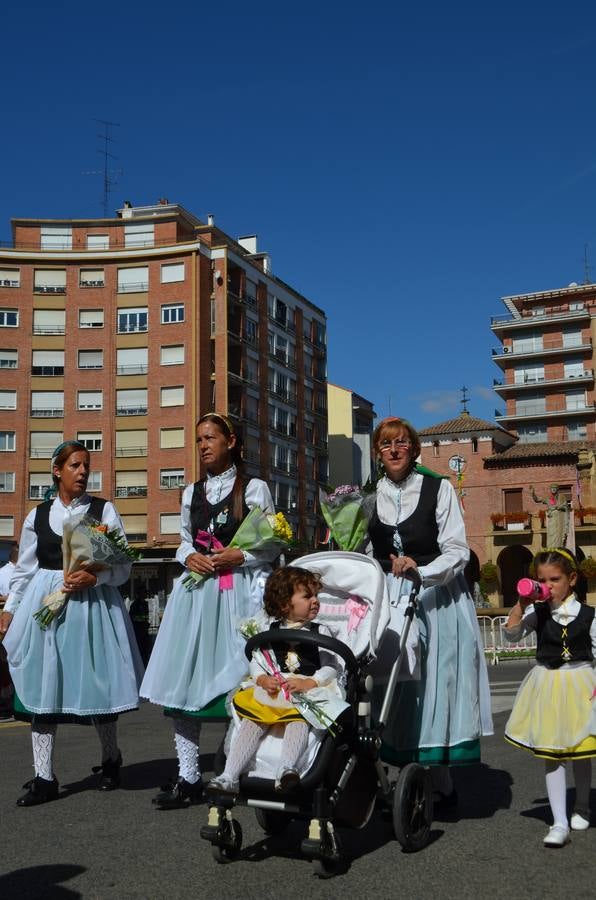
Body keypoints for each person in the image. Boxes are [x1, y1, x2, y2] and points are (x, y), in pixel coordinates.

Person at [141, 413, 277, 809]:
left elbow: (270, 545)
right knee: (186, 682)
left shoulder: (254, 489)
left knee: (239, 680)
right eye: (198, 439)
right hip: (197, 597)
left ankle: (231, 769)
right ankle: (187, 776)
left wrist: (242, 553)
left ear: (231, 441)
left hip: (239, 595)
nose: (203, 445)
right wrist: (189, 559)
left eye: (210, 438)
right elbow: (183, 542)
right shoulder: (190, 493)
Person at [0, 441, 144, 806]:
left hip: (91, 608)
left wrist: (95, 578)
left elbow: (123, 565)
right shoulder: (37, 515)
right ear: (57, 470)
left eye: (86, 466)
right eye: (76, 465)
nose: (83, 472)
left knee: (97, 685)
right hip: (47, 604)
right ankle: (43, 776)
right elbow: (23, 571)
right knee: (40, 691)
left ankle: (111, 759)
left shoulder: (103, 510)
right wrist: (10, 609)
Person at [365, 416, 493, 805]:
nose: (395, 450)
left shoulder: (438, 490)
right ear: (378, 454)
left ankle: (440, 779)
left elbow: (457, 550)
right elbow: (368, 554)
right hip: (391, 596)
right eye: (387, 445)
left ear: (415, 449)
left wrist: (422, 569)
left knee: (435, 683)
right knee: (395, 685)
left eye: (402, 442)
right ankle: (400, 773)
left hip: (436, 597)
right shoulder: (368, 500)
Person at [209, 566, 346, 793]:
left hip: (304, 690)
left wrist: (311, 682)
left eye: (316, 596)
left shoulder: (321, 632)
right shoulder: (269, 631)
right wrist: (261, 678)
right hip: (274, 687)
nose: (315, 601)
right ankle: (229, 775)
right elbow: (257, 660)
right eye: (307, 596)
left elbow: (332, 666)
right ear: (285, 605)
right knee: (253, 720)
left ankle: (286, 768)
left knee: (300, 719)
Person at [504, 548, 596, 847]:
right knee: (552, 756)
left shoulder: (590, 615)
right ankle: (558, 822)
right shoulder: (538, 613)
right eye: (542, 579)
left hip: (582, 684)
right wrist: (521, 603)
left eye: (555, 579)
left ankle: (581, 804)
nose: (549, 585)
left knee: (581, 751)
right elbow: (512, 635)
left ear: (572, 579)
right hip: (548, 685)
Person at [0, 542, 18, 720]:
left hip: (17, 620)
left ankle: (9, 701)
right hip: (7, 620)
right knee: (6, 660)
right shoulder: (3, 573)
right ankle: (6, 703)